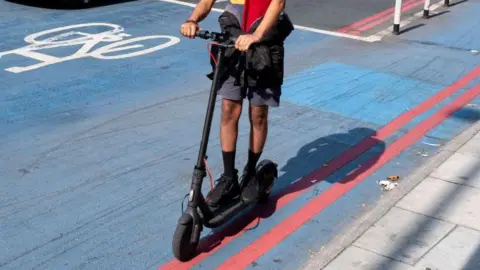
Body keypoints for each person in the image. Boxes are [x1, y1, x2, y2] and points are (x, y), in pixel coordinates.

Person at [180, 0, 292, 208]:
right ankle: (229, 177)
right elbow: (206, 2)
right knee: (228, 110)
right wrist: (192, 19)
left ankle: (250, 172)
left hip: (263, 44)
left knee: (258, 113)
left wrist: (257, 35)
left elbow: (277, 3)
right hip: (232, 42)